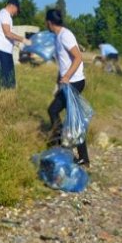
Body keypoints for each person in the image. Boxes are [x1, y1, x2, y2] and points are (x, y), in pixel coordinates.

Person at [45, 9, 90, 166]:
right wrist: (58, 82)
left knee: (72, 119)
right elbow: (63, 64)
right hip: (67, 83)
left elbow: (78, 57)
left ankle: (81, 156)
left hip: (75, 82)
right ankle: (58, 144)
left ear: (49, 22)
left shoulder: (66, 35)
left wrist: (66, 77)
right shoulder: (58, 37)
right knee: (53, 111)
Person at [0, 0, 30, 89]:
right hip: (2, 49)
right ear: (12, 6)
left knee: (9, 75)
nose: (16, 13)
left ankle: (9, 94)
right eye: (17, 10)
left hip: (3, 48)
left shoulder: (1, 14)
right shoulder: (5, 15)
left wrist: (17, 44)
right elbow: (7, 33)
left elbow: (6, 34)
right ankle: (6, 96)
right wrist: (23, 40)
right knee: (7, 76)